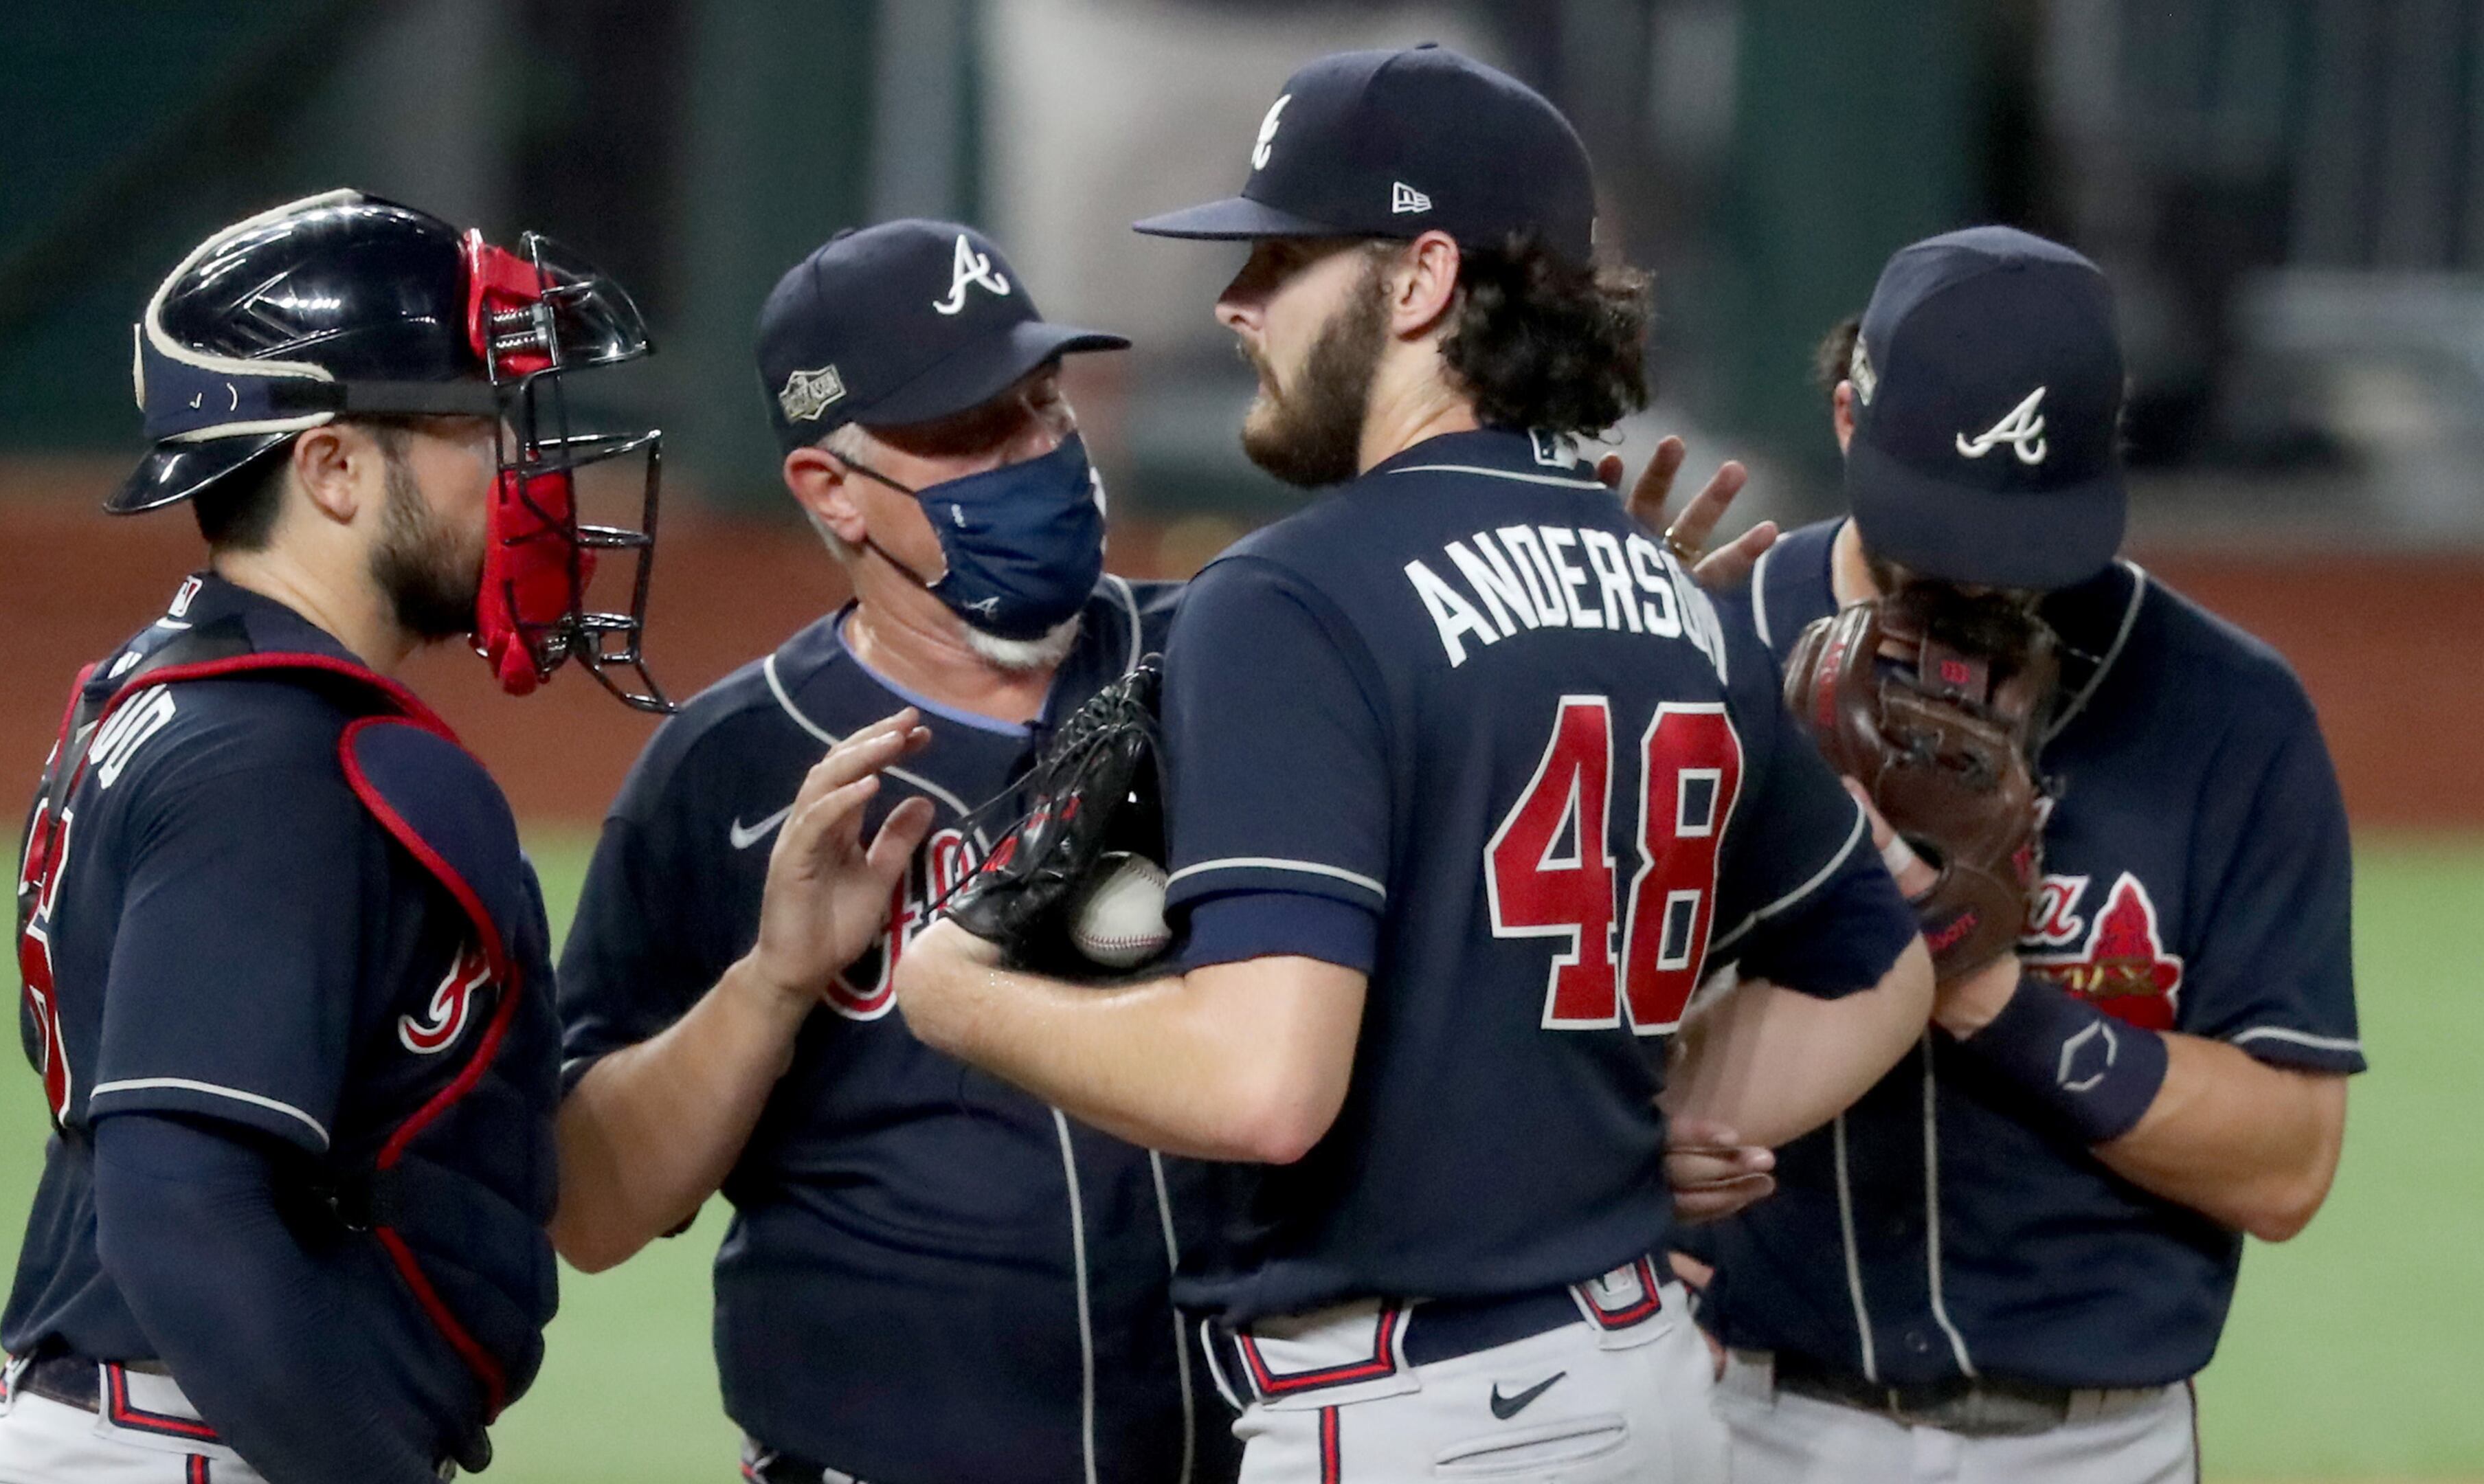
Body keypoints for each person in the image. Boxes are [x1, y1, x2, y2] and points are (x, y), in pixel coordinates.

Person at [893, 46, 1938, 1481]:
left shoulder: (1291, 597)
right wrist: (1643, 1135)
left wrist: (952, 993)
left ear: (1421, 279)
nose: (1234, 302)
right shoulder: (1665, 596)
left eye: (1281, 257)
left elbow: (1264, 1090)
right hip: (1651, 1394)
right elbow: (1887, 963)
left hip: (1425, 1423)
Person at [0, 190, 667, 1484]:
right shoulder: (269, 760)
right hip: (194, 1443)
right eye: (473, 428)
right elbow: (181, 1211)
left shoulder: (183, 684)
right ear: (332, 468)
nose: (524, 478)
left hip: (176, 1425)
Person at [551, 218, 1229, 1484]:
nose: (1036, 453)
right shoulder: (730, 770)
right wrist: (770, 984)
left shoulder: (1228, 665)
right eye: (974, 432)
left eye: (1044, 405)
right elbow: (593, 1209)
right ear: (832, 490)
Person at [1682, 225, 2360, 1482]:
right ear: (1846, 419)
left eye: (2024, 538)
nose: (1979, 578)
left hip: (2098, 1450)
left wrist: (1976, 980)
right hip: (1753, 1427)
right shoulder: (1707, 655)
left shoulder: (2227, 715)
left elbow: (2287, 1166)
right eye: (1938, 529)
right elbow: (1525, 1031)